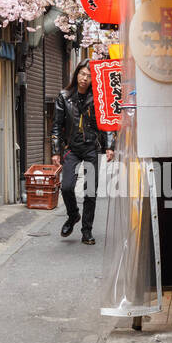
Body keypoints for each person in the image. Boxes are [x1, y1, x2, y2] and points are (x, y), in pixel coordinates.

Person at [51, 60, 115, 244]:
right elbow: (56, 126)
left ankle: (87, 231)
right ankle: (73, 216)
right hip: (72, 148)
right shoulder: (64, 96)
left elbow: (107, 123)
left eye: (88, 76)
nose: (84, 79)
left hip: (91, 148)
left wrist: (109, 146)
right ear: (76, 74)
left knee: (90, 192)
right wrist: (55, 151)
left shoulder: (98, 97)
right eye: (82, 74)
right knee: (67, 186)